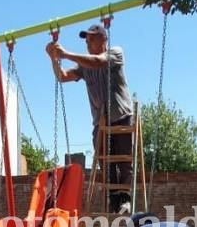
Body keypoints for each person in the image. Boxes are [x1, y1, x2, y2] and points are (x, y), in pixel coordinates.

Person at [45, 24, 133, 213]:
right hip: (100, 122)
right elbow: (62, 76)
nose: (88, 42)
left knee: (124, 161)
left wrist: (65, 54)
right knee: (105, 162)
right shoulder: (84, 67)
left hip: (121, 116)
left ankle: (125, 199)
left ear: (104, 39)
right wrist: (54, 59)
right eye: (87, 40)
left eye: (92, 38)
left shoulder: (115, 53)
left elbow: (98, 62)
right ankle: (114, 200)